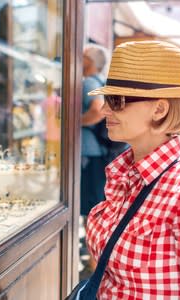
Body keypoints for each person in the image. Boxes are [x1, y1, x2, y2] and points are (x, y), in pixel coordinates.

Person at [85, 41, 180, 299]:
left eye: (117, 100)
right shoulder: (124, 175)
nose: (105, 109)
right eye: (107, 98)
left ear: (159, 108)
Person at [79, 44, 108, 217]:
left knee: (90, 199)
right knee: (95, 198)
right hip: (100, 148)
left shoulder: (89, 82)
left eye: (82, 57)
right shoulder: (101, 80)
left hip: (90, 152)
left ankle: (91, 240)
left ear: (88, 61)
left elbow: (98, 110)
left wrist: (76, 122)